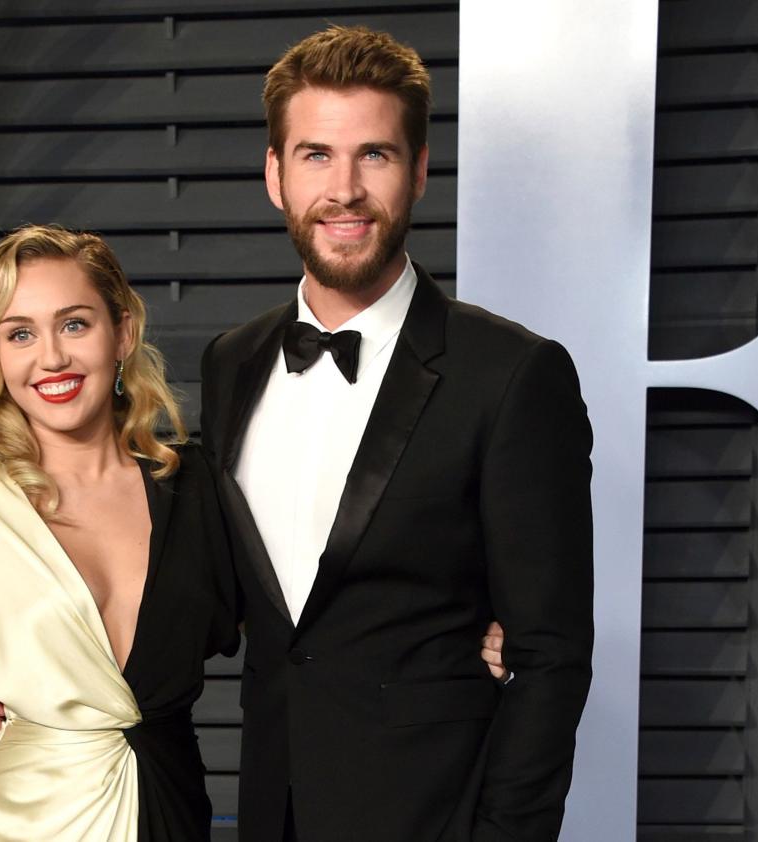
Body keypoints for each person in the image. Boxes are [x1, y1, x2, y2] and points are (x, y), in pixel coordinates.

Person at [198, 26, 594, 842]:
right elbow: (228, 602)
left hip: (433, 816)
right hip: (273, 812)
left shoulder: (513, 374)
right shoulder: (230, 362)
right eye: (315, 155)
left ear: (418, 171)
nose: (343, 189)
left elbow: (552, 656)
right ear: (274, 174)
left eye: (373, 155)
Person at [0, 225, 240, 841]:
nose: (52, 358)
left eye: (74, 324)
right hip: (25, 821)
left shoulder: (196, 488)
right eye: (20, 334)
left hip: (172, 807)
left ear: (122, 333)